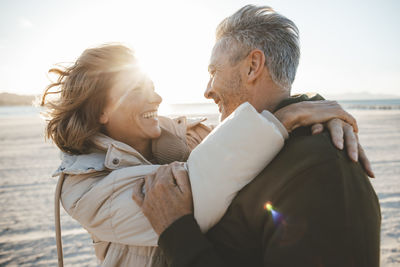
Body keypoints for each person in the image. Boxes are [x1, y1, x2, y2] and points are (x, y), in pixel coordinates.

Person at [43, 44, 368, 267]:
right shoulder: (82, 189)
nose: (156, 97)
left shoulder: (183, 134)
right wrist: (285, 118)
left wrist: (319, 109)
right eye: (136, 91)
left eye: (152, 86)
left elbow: (244, 135)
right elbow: (191, 194)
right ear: (100, 110)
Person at [132, 5, 381, 267]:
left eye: (213, 72)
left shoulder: (321, 168)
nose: (207, 91)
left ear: (253, 66)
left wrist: (177, 232)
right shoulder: (235, 151)